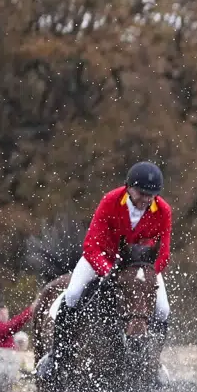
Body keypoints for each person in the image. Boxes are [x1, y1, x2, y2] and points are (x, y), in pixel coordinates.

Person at [36, 161, 172, 380]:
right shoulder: (110, 201)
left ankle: (153, 364)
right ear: (129, 188)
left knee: (163, 310)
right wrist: (108, 270)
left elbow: (163, 252)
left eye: (151, 195)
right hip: (102, 259)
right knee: (71, 295)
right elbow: (92, 245)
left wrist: (148, 273)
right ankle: (57, 356)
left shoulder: (163, 210)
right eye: (142, 193)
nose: (147, 199)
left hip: (140, 267)